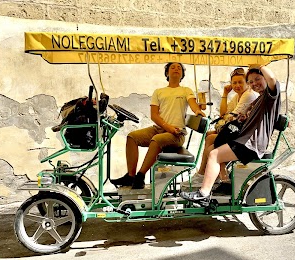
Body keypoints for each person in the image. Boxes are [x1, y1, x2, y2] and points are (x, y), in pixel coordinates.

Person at [180, 64, 281, 205]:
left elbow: (271, 78)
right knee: (215, 146)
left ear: (264, 78)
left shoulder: (270, 96)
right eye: (251, 82)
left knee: (214, 154)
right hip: (245, 140)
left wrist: (259, 65)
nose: (254, 84)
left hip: (251, 144)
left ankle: (203, 193)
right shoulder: (259, 99)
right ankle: (220, 181)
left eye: (257, 79)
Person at [111, 62, 205, 189]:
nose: (176, 69)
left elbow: (193, 103)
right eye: (172, 67)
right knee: (132, 137)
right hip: (159, 129)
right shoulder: (159, 92)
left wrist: (197, 111)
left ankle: (140, 176)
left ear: (182, 74)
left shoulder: (185, 90)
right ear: (167, 73)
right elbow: (154, 115)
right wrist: (167, 127)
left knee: (156, 140)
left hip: (177, 133)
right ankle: (131, 176)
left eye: (179, 68)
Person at [191, 67, 258, 184]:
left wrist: (227, 117)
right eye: (234, 83)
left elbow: (231, 117)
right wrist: (225, 93)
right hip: (236, 132)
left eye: (240, 82)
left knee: (211, 140)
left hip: (245, 137)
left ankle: (207, 174)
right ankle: (210, 173)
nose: (237, 85)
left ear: (247, 83)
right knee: (209, 135)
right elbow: (223, 113)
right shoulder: (238, 96)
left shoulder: (248, 95)